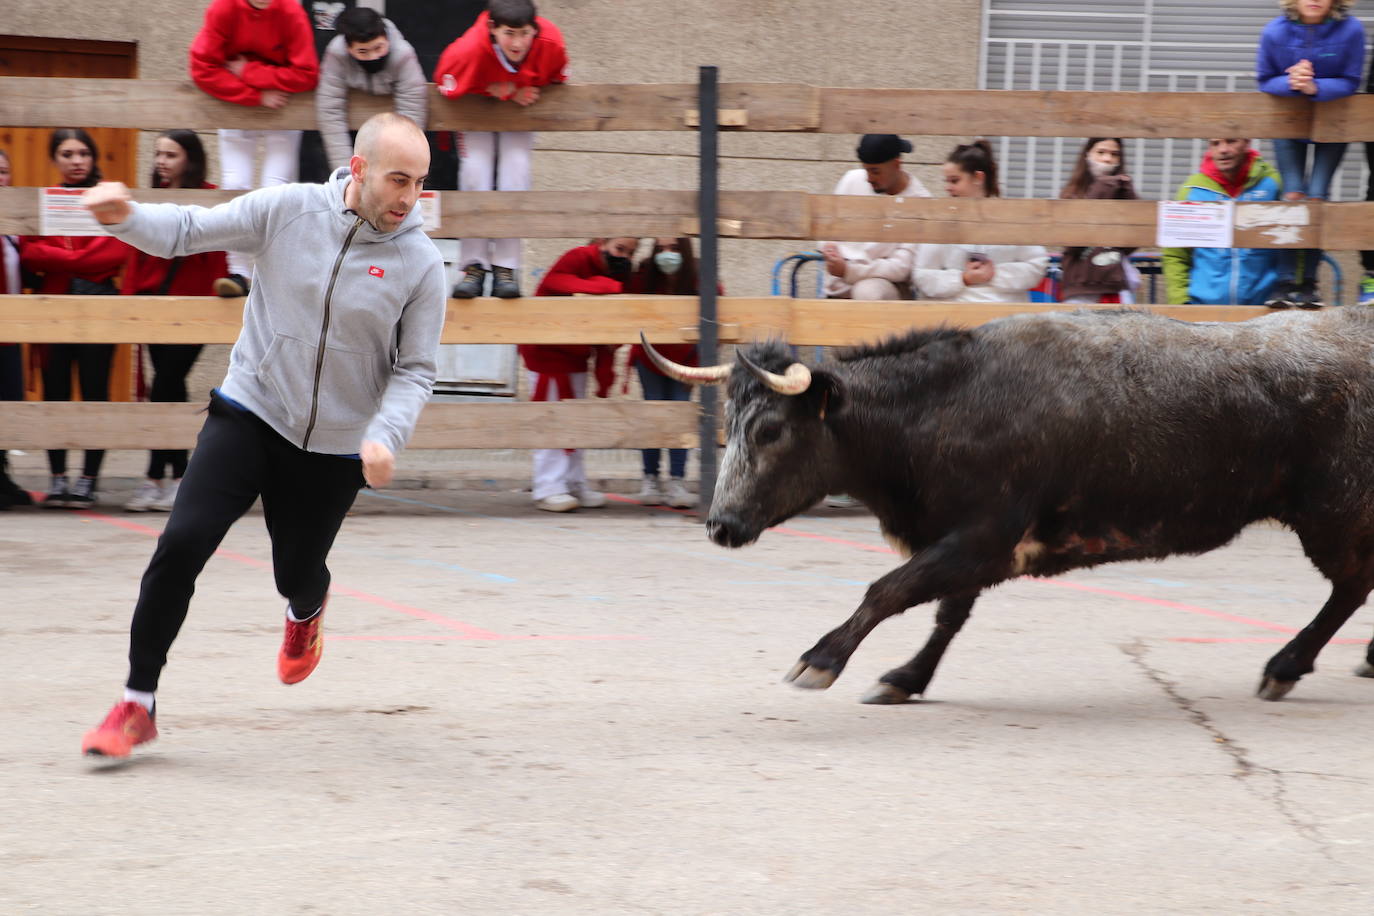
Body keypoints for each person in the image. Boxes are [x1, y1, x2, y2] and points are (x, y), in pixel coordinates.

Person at [78, 113, 447, 758]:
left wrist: (387, 433)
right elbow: (192, 229)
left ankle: (308, 609)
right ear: (358, 170)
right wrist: (125, 218)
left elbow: (416, 370)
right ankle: (137, 703)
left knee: (296, 572)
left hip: (336, 447)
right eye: (397, 179)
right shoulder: (288, 211)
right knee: (183, 542)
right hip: (251, 411)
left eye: (419, 182)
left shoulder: (420, 264)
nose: (408, 198)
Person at [19, 129, 132, 509]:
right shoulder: (44, 199)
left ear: (92, 157)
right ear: (55, 159)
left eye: (83, 153)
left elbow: (112, 254)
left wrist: (61, 259)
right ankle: (56, 478)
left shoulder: (109, 198)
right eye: (67, 154)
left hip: (97, 304)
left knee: (95, 390)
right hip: (51, 306)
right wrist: (73, 262)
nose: (76, 160)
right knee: (55, 392)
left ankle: (87, 479)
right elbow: (30, 253)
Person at [121, 131, 230, 512]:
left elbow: (218, 254)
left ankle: (164, 477)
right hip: (153, 304)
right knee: (167, 383)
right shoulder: (150, 197)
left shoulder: (211, 194)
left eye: (171, 154)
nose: (162, 161)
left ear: (191, 158)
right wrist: (131, 302)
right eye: (158, 154)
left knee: (167, 380)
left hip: (196, 307)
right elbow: (136, 253)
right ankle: (172, 477)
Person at [435, 0, 568, 299]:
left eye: (524, 33)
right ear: (493, 29)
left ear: (535, 29)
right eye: (509, 33)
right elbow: (445, 85)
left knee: (516, 172)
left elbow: (558, 83)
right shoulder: (468, 50)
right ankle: (474, 266)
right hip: (475, 113)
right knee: (475, 174)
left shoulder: (551, 43)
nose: (518, 43)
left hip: (521, 114)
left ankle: (506, 266)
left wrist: (519, 89)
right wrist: (494, 89)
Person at [189, 0, 319, 298]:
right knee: (236, 186)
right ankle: (238, 272)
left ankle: (270, 271)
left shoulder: (290, 12)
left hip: (284, 110)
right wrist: (255, 95)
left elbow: (307, 73)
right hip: (236, 108)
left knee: (276, 190)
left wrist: (248, 71)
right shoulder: (223, 9)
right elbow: (202, 68)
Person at [1256, 0, 1364, 308]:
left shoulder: (1351, 29)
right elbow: (1265, 78)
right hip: (1289, 125)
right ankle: (1286, 279)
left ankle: (1310, 282)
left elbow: (1351, 80)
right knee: (1292, 195)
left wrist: (1315, 87)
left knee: (1318, 196)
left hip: (1333, 126)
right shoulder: (1274, 31)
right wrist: (1291, 82)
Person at [517, 237, 635, 512]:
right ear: (602, 243)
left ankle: (573, 482)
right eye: (620, 249)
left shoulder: (615, 271)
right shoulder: (578, 256)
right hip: (547, 354)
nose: (625, 256)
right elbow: (557, 282)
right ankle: (548, 487)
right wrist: (608, 288)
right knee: (552, 423)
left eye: (630, 252)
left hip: (576, 355)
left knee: (575, 424)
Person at [911, 140, 1049, 302]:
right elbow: (922, 273)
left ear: (978, 177)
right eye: (946, 181)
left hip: (1006, 315)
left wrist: (995, 274)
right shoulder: (941, 222)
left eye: (954, 181)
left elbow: (1037, 263)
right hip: (952, 314)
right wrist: (964, 278)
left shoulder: (1012, 218)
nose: (948, 188)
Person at [627, 238, 703, 509]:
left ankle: (677, 482)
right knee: (654, 415)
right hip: (649, 357)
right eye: (661, 249)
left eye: (673, 249)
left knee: (680, 417)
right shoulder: (645, 272)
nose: (667, 255)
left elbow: (716, 306)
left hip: (685, 359)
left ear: (684, 250)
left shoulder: (698, 273)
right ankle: (649, 479)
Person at [1162, 138, 1284, 306]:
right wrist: (1181, 302)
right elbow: (1175, 255)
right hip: (1203, 311)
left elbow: (1295, 243)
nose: (1223, 150)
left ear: (1247, 142)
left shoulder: (1272, 184)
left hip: (1263, 311)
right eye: (1215, 143)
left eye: (1231, 141)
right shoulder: (1192, 191)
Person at [316, 6, 428, 173]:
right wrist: (345, 172)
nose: (373, 56)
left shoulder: (403, 54)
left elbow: (413, 110)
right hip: (350, 136)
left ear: (387, 39)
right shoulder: (336, 54)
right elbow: (330, 110)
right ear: (348, 48)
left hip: (395, 137)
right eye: (362, 51)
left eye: (378, 48)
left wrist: (397, 166)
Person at [819, 134, 930, 301]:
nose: (869, 178)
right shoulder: (852, 179)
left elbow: (901, 267)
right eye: (866, 170)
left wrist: (848, 270)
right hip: (839, 283)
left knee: (868, 292)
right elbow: (827, 228)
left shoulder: (920, 202)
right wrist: (829, 249)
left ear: (896, 164)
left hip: (886, 286)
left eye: (875, 171)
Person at [1058, 138, 1141, 304]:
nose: (1107, 159)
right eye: (1101, 152)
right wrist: (1101, 190)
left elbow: (1131, 244)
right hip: (1081, 287)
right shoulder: (1072, 194)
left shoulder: (1121, 192)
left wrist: (1128, 193)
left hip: (1114, 284)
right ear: (1087, 155)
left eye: (1114, 154)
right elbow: (1073, 243)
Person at [0, 148, 34, 511]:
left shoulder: (13, 225)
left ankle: (2, 473)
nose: (0, 178)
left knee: (8, 402)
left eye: (4, 171)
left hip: (9, 332)